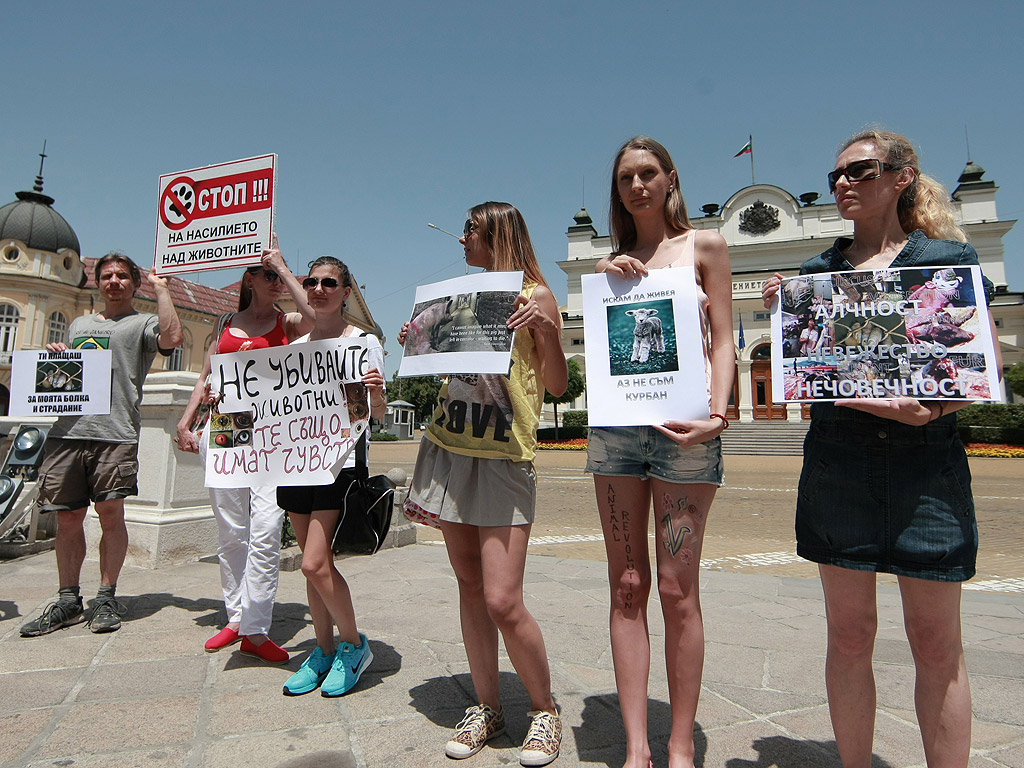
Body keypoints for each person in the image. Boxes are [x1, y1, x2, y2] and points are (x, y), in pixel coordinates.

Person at [761, 129, 999, 768]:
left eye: (860, 171)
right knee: (849, 635)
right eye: (837, 174)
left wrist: (937, 406)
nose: (843, 183)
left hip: (928, 464)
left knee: (936, 643)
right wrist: (790, 320)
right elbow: (810, 380)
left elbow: (978, 367)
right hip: (840, 461)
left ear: (901, 177)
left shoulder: (947, 259)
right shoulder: (817, 275)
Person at [399, 202, 568, 766]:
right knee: (470, 587)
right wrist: (416, 341)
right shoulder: (460, 296)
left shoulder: (535, 294)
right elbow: (442, 371)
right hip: (452, 445)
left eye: (470, 229)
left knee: (502, 597)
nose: (462, 239)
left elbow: (558, 385)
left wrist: (545, 332)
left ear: (498, 232)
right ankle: (488, 707)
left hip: (505, 453)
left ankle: (544, 711)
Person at [587, 137, 734, 768]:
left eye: (648, 173)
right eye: (626, 178)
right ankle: (637, 747)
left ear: (671, 178)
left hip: (685, 431)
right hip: (618, 433)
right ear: (616, 190)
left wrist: (720, 415)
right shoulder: (608, 263)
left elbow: (725, 336)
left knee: (677, 590)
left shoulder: (705, 246)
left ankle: (679, 744)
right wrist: (605, 283)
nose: (638, 185)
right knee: (626, 586)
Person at [21, 252, 184, 637]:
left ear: (134, 283)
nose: (114, 281)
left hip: (115, 434)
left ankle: (107, 595)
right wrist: (59, 357)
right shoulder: (79, 324)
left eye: (122, 276)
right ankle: (68, 600)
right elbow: (71, 376)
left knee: (111, 515)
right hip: (67, 433)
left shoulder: (143, 322)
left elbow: (173, 338)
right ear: (97, 282)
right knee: (67, 518)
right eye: (107, 275)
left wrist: (162, 291)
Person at [175, 236, 314, 662]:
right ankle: (236, 618)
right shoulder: (222, 324)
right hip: (227, 431)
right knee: (231, 530)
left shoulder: (287, 322)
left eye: (280, 274)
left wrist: (285, 270)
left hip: (273, 435)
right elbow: (207, 376)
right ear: (249, 278)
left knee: (267, 530)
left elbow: (316, 320)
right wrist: (187, 417)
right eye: (268, 274)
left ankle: (257, 626)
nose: (276, 281)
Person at [278, 257, 386, 697]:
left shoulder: (362, 342)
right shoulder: (296, 347)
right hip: (294, 462)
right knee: (313, 569)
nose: (319, 289)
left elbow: (373, 414)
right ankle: (321, 651)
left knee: (313, 563)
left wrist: (376, 394)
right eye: (312, 282)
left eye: (329, 282)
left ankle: (353, 644)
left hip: (337, 466)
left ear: (346, 292)